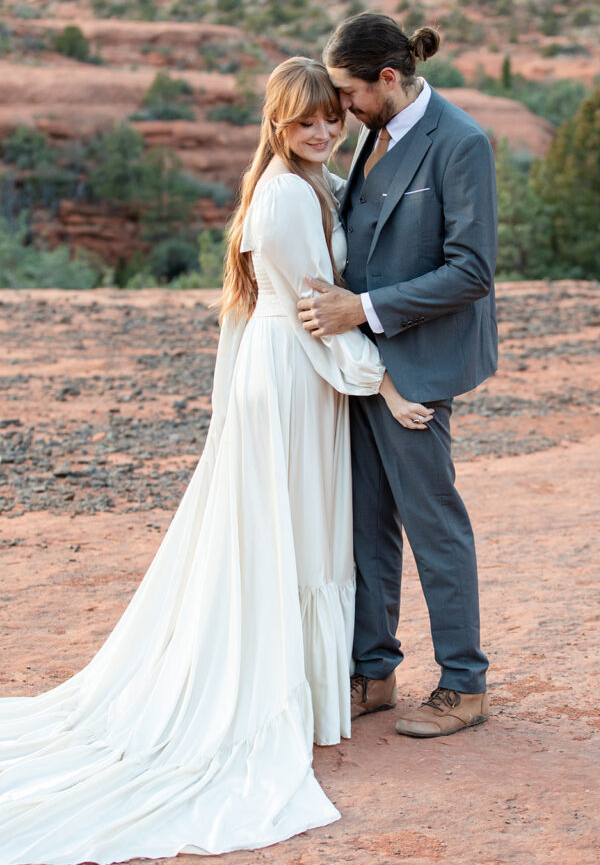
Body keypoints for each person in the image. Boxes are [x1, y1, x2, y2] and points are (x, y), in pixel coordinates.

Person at [0, 56, 432, 865]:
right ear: (276, 122)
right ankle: (280, 694)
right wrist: (386, 388)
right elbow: (316, 311)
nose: (324, 130)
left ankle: (306, 690)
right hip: (295, 371)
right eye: (306, 120)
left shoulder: (300, 182)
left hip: (288, 371)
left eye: (330, 118)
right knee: (289, 525)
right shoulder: (283, 196)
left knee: (292, 525)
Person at [297, 14, 498, 738]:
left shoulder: (462, 142)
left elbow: (471, 270)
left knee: (431, 522)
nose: (340, 111)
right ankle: (371, 672)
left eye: (348, 94)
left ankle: (463, 685)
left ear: (387, 78)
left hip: (418, 362)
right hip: (361, 366)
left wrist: (364, 308)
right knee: (365, 525)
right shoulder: (374, 134)